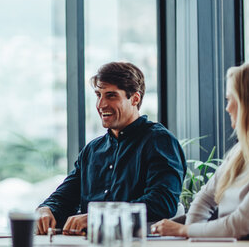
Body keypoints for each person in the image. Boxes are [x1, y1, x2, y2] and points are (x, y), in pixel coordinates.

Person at [36, 62, 186, 235]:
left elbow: (161, 203)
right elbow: (65, 196)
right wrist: (46, 209)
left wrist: (99, 217)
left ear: (135, 99)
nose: (101, 104)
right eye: (98, 95)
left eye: (111, 96)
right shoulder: (93, 150)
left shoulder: (159, 141)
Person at [152, 60, 249, 239]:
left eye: (230, 99)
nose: (227, 108)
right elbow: (205, 198)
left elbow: (242, 223)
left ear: (248, 105)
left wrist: (184, 230)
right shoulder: (239, 153)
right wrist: (192, 235)